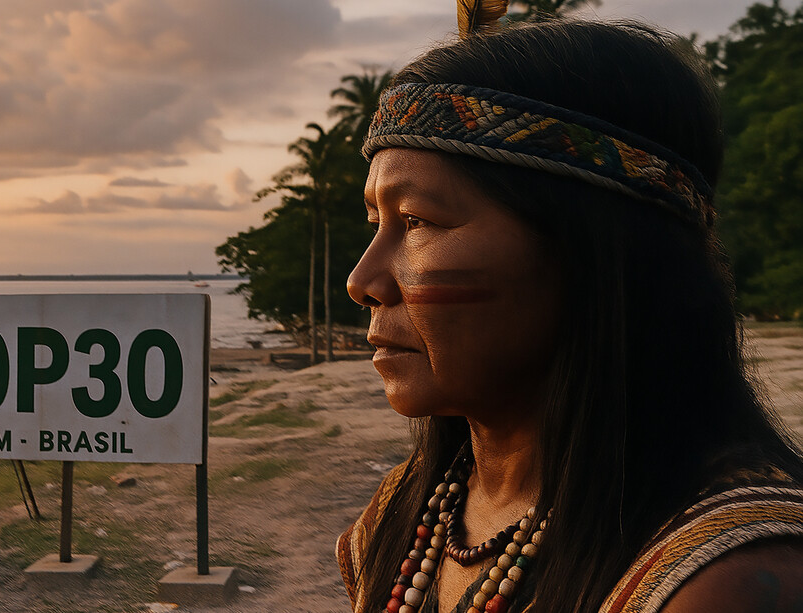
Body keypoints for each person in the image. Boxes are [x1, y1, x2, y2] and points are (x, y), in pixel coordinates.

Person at [337, 15, 803, 613]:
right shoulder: (400, 515)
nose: (363, 282)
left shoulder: (727, 582)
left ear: (589, 253)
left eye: (418, 221)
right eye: (376, 222)